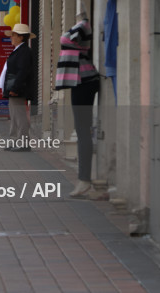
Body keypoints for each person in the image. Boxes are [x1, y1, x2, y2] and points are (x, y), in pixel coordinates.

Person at [56, 12, 101, 197]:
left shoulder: (83, 26)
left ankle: (84, 180)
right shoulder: (82, 27)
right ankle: (84, 179)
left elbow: (71, 38)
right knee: (82, 130)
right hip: (81, 81)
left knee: (82, 130)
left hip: (83, 81)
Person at [0, 24, 36, 152]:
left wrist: (15, 88)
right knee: (14, 116)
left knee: (19, 116)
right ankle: (14, 140)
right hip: (14, 89)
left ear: (21, 37)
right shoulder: (19, 50)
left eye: (14, 35)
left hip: (18, 89)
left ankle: (23, 142)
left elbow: (22, 71)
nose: (12, 38)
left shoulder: (24, 51)